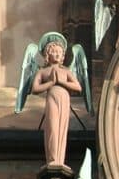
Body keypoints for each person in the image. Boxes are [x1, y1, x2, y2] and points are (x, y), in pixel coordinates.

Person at [31, 34, 83, 167]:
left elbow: (78, 87)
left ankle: (60, 158)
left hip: (64, 99)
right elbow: (35, 89)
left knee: (62, 128)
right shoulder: (43, 72)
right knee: (53, 127)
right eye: (54, 51)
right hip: (52, 98)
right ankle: (52, 159)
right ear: (47, 55)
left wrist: (61, 82)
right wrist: (51, 83)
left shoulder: (66, 71)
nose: (57, 54)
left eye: (60, 52)